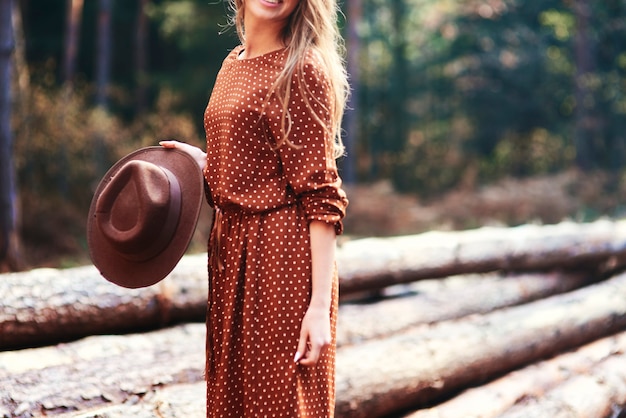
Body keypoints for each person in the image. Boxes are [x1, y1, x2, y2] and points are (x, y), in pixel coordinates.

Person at [160, 0, 349, 416]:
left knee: (278, 402)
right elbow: (255, 171)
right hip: (231, 253)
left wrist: (318, 309)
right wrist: (203, 162)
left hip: (282, 258)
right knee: (234, 400)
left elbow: (322, 198)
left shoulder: (301, 69)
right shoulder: (233, 62)